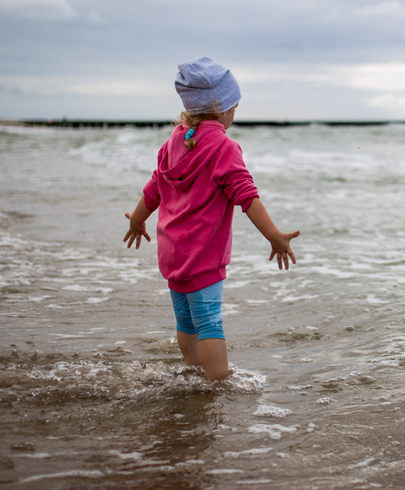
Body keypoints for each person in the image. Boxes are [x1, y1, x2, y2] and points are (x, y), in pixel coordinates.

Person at [123, 56, 299, 381]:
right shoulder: (223, 147)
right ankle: (218, 384)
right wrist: (274, 235)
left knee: (186, 322)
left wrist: (137, 220)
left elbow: (154, 188)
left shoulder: (173, 142)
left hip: (173, 252)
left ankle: (192, 373)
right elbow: (246, 195)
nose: (235, 113)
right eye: (234, 107)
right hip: (203, 255)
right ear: (220, 109)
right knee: (209, 323)